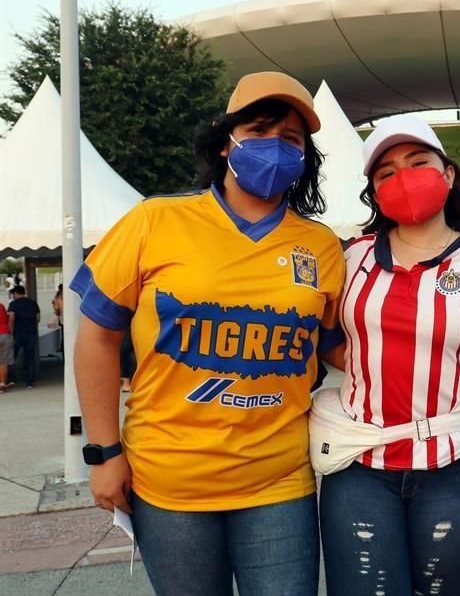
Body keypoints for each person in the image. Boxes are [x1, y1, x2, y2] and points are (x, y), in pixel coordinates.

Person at [70, 71, 343, 596]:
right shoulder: (155, 220)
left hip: (279, 483)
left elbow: (334, 344)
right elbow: (98, 336)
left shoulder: (322, 247)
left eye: (291, 139)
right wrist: (103, 454)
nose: (275, 147)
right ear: (227, 143)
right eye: (260, 131)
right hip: (167, 485)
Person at [319, 114, 460, 596]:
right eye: (386, 172)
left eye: (418, 162)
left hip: (459, 464)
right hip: (361, 463)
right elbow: (333, 343)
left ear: (448, 173)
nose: (404, 178)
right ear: (373, 190)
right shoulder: (348, 261)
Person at [8, 286, 41, 388]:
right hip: (31, 333)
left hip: (17, 333)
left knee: (11, 357)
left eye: (13, 294)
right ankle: (29, 382)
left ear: (16, 293)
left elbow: (12, 319)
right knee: (30, 358)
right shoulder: (33, 303)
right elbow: (38, 318)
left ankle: (11, 379)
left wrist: (10, 332)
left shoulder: (13, 304)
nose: (13, 296)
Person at [0, 299, 11, 392]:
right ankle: (2, 384)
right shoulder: (1, 306)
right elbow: (7, 319)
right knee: (3, 361)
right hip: (4, 334)